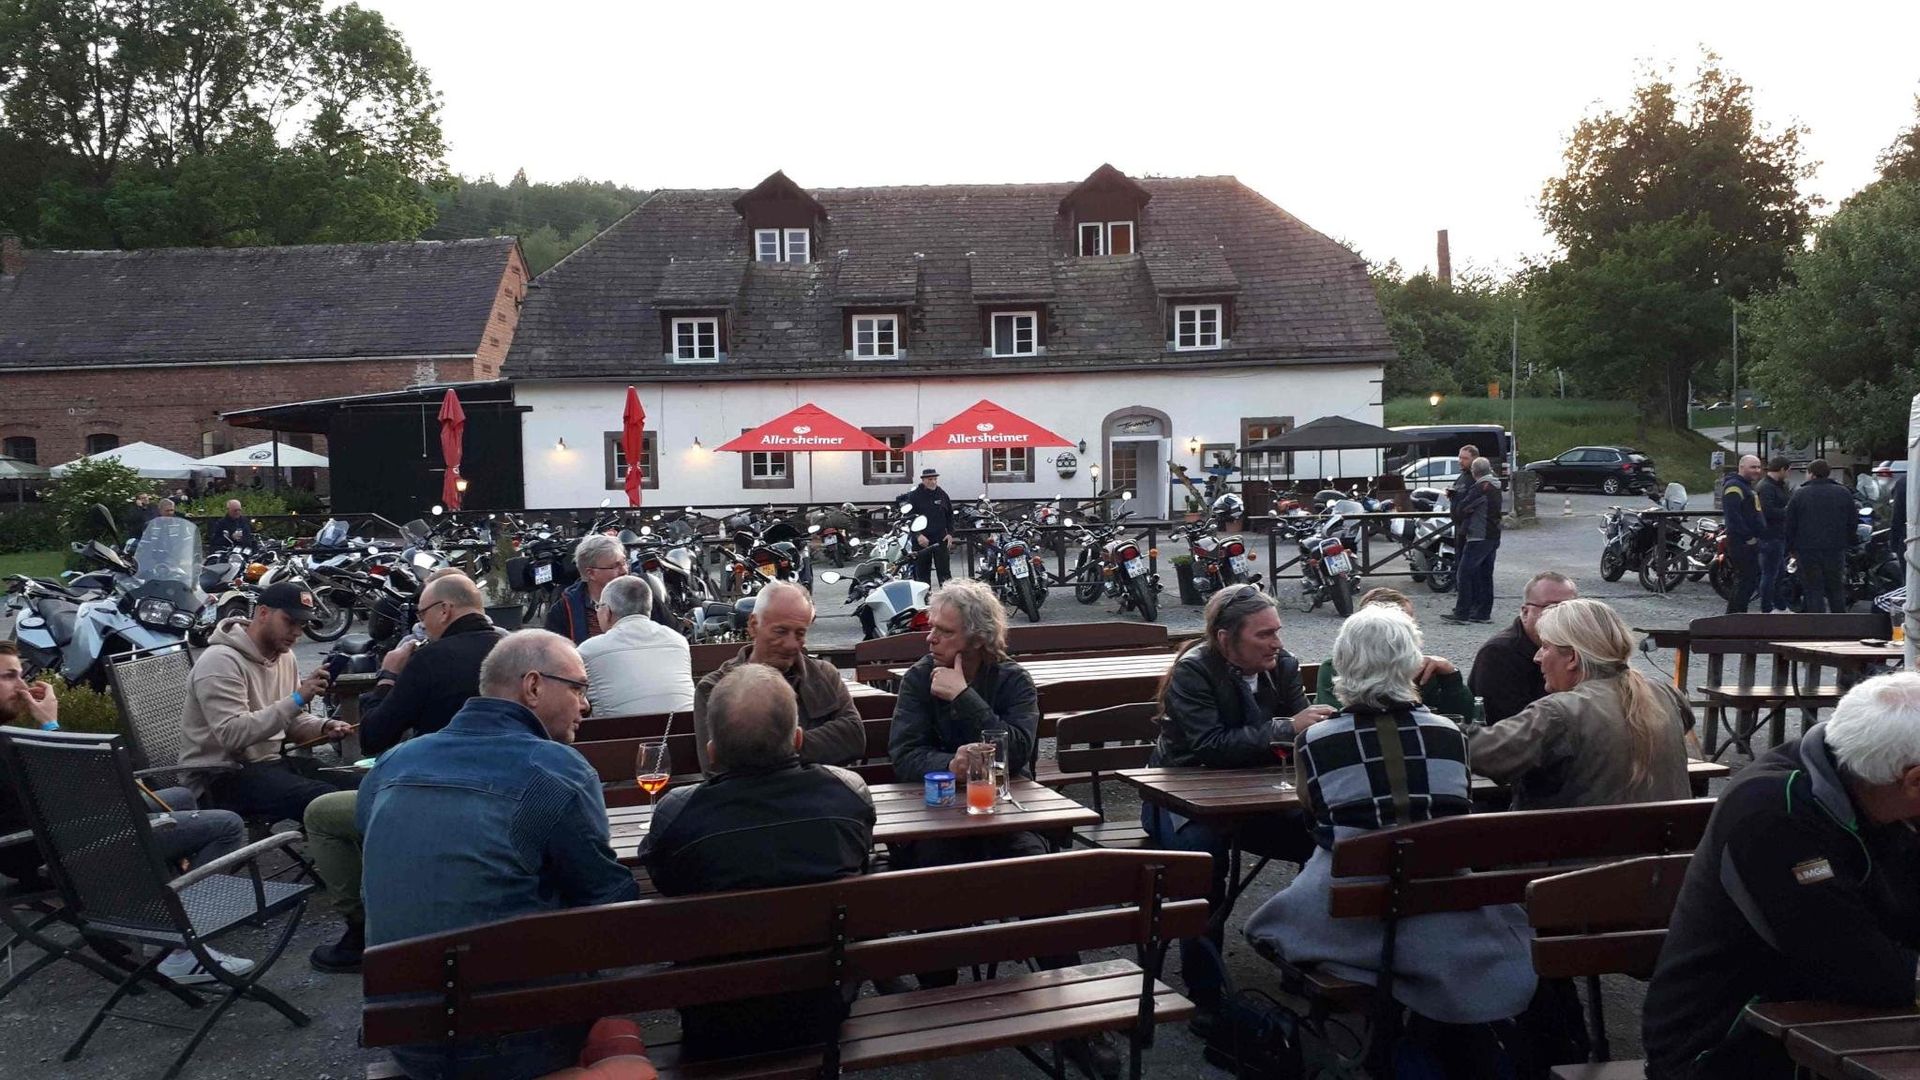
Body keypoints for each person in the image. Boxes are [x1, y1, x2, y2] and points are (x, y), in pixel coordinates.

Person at [359, 629, 638, 1080]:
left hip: (407, 1038)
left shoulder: (392, 764)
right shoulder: (556, 769)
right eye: (578, 688)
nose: (585, 705)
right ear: (533, 686)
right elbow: (607, 904)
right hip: (517, 1044)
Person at [1245, 605, 1535, 1031]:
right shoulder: (1450, 734)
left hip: (1352, 912)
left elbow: (1316, 819)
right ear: (1412, 663)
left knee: (1269, 922)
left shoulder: (1315, 740)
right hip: (1443, 906)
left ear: (1343, 663)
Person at [884, 579, 1120, 1076]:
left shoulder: (1013, 680)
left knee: (1039, 875)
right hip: (935, 819)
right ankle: (939, 1002)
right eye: (930, 627)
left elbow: (1018, 753)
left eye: (944, 632)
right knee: (932, 880)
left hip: (1004, 815)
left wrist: (964, 696)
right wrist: (950, 765)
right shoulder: (918, 678)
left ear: (976, 638)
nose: (930, 638)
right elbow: (904, 755)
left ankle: (1075, 1021)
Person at [1642, 673, 1920, 1079]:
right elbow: (1868, 973)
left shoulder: (1869, 785)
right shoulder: (1770, 814)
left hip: (1833, 1032)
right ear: (1913, 780)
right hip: (1722, 1049)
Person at [640, 665, 874, 1060]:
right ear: (797, 739)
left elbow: (665, 879)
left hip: (715, 1018)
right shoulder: (848, 797)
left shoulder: (678, 815)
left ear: (712, 751)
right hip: (821, 1011)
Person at [0, 641, 258, 983]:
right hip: (55, 851)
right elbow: (90, 795)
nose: (22, 685)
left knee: (180, 797)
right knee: (227, 825)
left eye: (20, 674)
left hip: (53, 831)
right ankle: (177, 948)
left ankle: (161, 919)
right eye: (9, 676)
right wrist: (50, 724)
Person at [1145, 584, 1334, 1015]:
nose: (1277, 642)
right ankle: (1205, 990)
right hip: (1179, 797)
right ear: (1225, 638)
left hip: (1253, 799)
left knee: (1323, 839)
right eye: (1264, 634)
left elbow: (1302, 733)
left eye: (1277, 631)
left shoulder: (1282, 665)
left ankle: (1301, 956)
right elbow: (1210, 745)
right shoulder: (1194, 670)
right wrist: (1285, 728)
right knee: (1202, 860)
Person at [303, 572, 505, 973]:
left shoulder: (432, 659)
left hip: (441, 801)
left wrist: (388, 676)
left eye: (422, 613)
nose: (421, 622)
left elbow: (374, 736)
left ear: (445, 610)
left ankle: (362, 931)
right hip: (512, 794)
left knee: (320, 814)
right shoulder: (516, 650)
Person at [1465, 598, 1692, 809]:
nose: (1537, 657)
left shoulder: (1560, 713)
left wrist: (1447, 698)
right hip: (1669, 837)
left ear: (1572, 658)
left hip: (1578, 839)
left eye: (1545, 647)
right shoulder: (1666, 694)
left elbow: (1485, 753)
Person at [179, 582, 354, 822]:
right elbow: (231, 734)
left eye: (302, 624)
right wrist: (298, 698)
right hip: (219, 776)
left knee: (359, 786)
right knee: (328, 802)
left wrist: (323, 727)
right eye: (290, 621)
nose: (297, 632)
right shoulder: (220, 661)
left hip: (270, 765)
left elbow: (291, 720)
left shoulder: (285, 657)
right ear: (263, 613)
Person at [693, 580, 861, 774]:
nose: (791, 644)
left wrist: (767, 749)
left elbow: (854, 736)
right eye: (781, 631)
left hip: (818, 792)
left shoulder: (824, 675)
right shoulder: (714, 687)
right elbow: (715, 768)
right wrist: (802, 747)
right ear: (753, 625)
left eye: (800, 634)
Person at [1314, 587, 1474, 719]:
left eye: (1410, 624)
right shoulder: (1335, 668)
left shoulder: (1427, 668)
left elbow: (1465, 719)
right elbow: (1339, 721)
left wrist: (1451, 676)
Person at [1469, 571, 1579, 725]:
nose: (1561, 615)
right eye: (1551, 608)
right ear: (1525, 612)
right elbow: (1508, 724)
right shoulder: (1499, 654)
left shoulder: (1579, 646)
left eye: (1568, 608)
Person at [580, 575, 693, 719]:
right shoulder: (678, 641)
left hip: (617, 733)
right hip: (685, 730)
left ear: (607, 611)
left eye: (598, 606)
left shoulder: (589, 651)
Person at [1784, 458, 1857, 613]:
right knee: (1836, 588)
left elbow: (1790, 524)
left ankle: (1818, 622)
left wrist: (1790, 548)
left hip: (1807, 549)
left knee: (1813, 589)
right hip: (1835, 548)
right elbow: (1852, 521)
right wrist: (1848, 542)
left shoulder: (1800, 494)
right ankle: (1840, 620)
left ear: (1811, 474)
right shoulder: (1843, 493)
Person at [1446, 457, 1502, 624]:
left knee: (1464, 573)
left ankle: (1462, 612)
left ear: (1474, 471)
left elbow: (1462, 509)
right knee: (1486, 575)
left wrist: (1455, 500)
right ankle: (1483, 613)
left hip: (1478, 535)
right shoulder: (1495, 486)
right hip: (1493, 535)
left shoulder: (1480, 488)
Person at [546, 533, 629, 644]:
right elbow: (554, 649)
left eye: (624, 562)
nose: (624, 571)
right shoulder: (564, 609)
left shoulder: (641, 597)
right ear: (590, 573)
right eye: (615, 566)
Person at [1720, 455, 1766, 613]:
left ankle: (1736, 616)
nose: (1757, 470)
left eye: (1758, 467)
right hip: (1742, 542)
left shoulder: (1745, 486)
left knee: (1748, 581)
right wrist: (1749, 537)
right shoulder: (1734, 487)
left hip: (1749, 542)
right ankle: (1735, 617)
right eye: (1753, 467)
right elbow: (1733, 517)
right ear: (1741, 467)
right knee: (1745, 581)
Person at [902, 467, 953, 586]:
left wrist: (950, 533)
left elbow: (950, 515)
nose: (933, 482)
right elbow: (909, 518)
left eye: (935, 479)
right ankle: (924, 596)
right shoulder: (914, 496)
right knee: (922, 574)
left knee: (945, 573)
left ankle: (948, 596)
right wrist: (918, 535)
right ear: (923, 480)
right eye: (930, 479)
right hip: (922, 539)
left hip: (940, 538)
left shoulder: (942, 494)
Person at [1757, 456, 1792, 612]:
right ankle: (1767, 607)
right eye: (1788, 470)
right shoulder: (1766, 487)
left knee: (1778, 573)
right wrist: (1787, 512)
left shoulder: (1776, 485)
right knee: (1770, 574)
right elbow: (1767, 511)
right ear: (1782, 469)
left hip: (1777, 535)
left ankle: (1779, 605)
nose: (1789, 474)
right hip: (1770, 536)